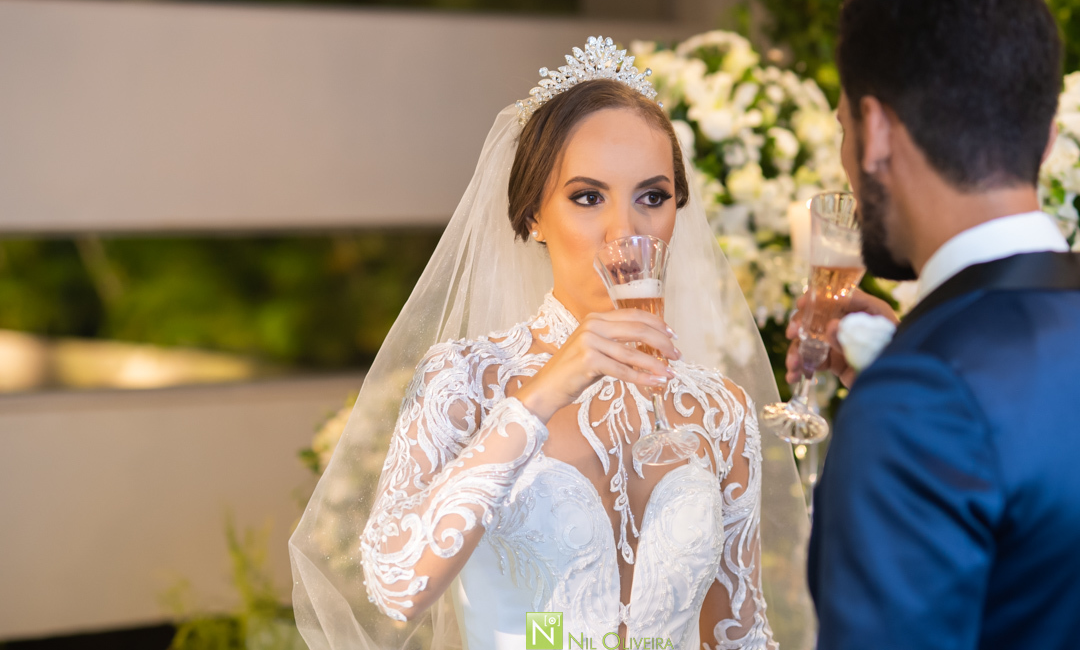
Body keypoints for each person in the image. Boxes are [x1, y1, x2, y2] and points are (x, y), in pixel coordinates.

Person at [289, 37, 814, 650]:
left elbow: (739, 635)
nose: (625, 231)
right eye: (588, 197)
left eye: (652, 197)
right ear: (534, 215)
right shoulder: (467, 381)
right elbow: (396, 586)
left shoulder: (719, 409)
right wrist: (540, 397)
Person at [792, 0, 1080, 649]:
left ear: (877, 130)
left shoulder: (915, 403)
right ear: (1044, 137)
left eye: (843, 128)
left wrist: (907, 381)